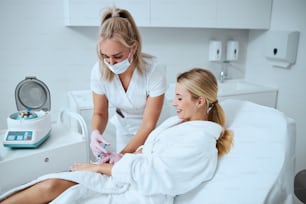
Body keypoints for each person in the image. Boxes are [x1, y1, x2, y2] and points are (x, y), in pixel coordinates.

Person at [0, 68, 233, 204]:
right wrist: (117, 159)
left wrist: (97, 169)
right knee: (51, 185)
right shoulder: (177, 123)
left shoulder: (200, 142)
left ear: (200, 101)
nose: (174, 103)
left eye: (180, 98)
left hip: (140, 195)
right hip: (124, 178)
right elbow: (148, 153)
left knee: (59, 191)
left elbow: (155, 174)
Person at [89, 7, 167, 163]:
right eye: (106, 56)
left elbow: (148, 124)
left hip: (155, 130)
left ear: (133, 47)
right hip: (124, 128)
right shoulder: (99, 71)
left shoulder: (153, 71)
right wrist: (95, 132)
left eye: (117, 56)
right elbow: (100, 113)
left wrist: (122, 156)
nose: (111, 63)